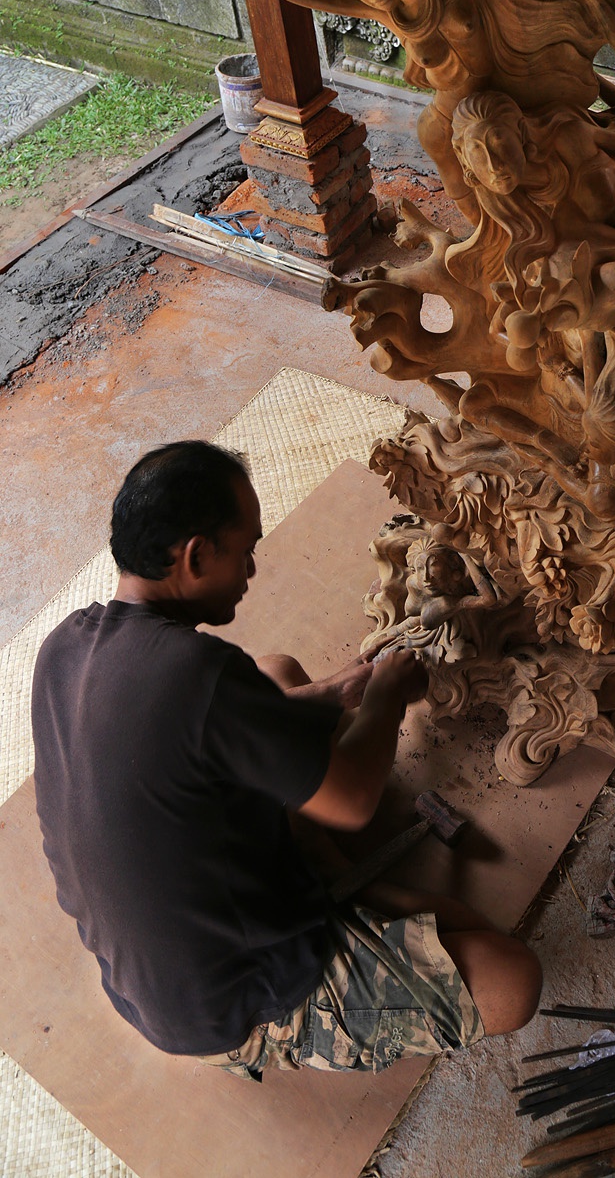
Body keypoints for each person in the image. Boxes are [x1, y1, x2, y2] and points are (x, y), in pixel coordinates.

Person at [30, 441, 541, 1080]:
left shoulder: (65, 645)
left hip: (146, 959)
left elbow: (193, 729)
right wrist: (383, 699)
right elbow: (353, 800)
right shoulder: (201, 675)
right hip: (226, 1005)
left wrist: (339, 691)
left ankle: (331, 882)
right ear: (193, 556)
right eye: (245, 550)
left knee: (274, 674)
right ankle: (335, 899)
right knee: (512, 978)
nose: (251, 568)